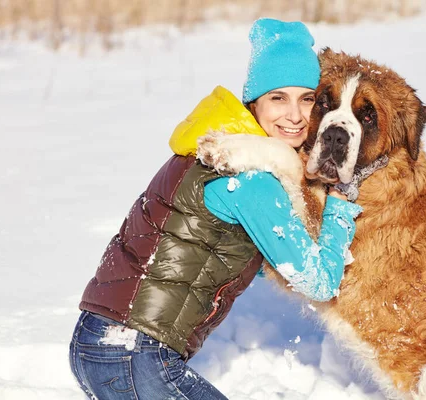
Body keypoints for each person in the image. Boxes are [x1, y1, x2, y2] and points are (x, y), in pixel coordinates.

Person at [69, 18, 362, 399]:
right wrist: (340, 204)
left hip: (97, 341)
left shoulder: (213, 148)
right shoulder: (253, 179)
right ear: (253, 102)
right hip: (134, 355)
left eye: (307, 99)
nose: (295, 115)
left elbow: (215, 251)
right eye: (278, 98)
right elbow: (319, 283)